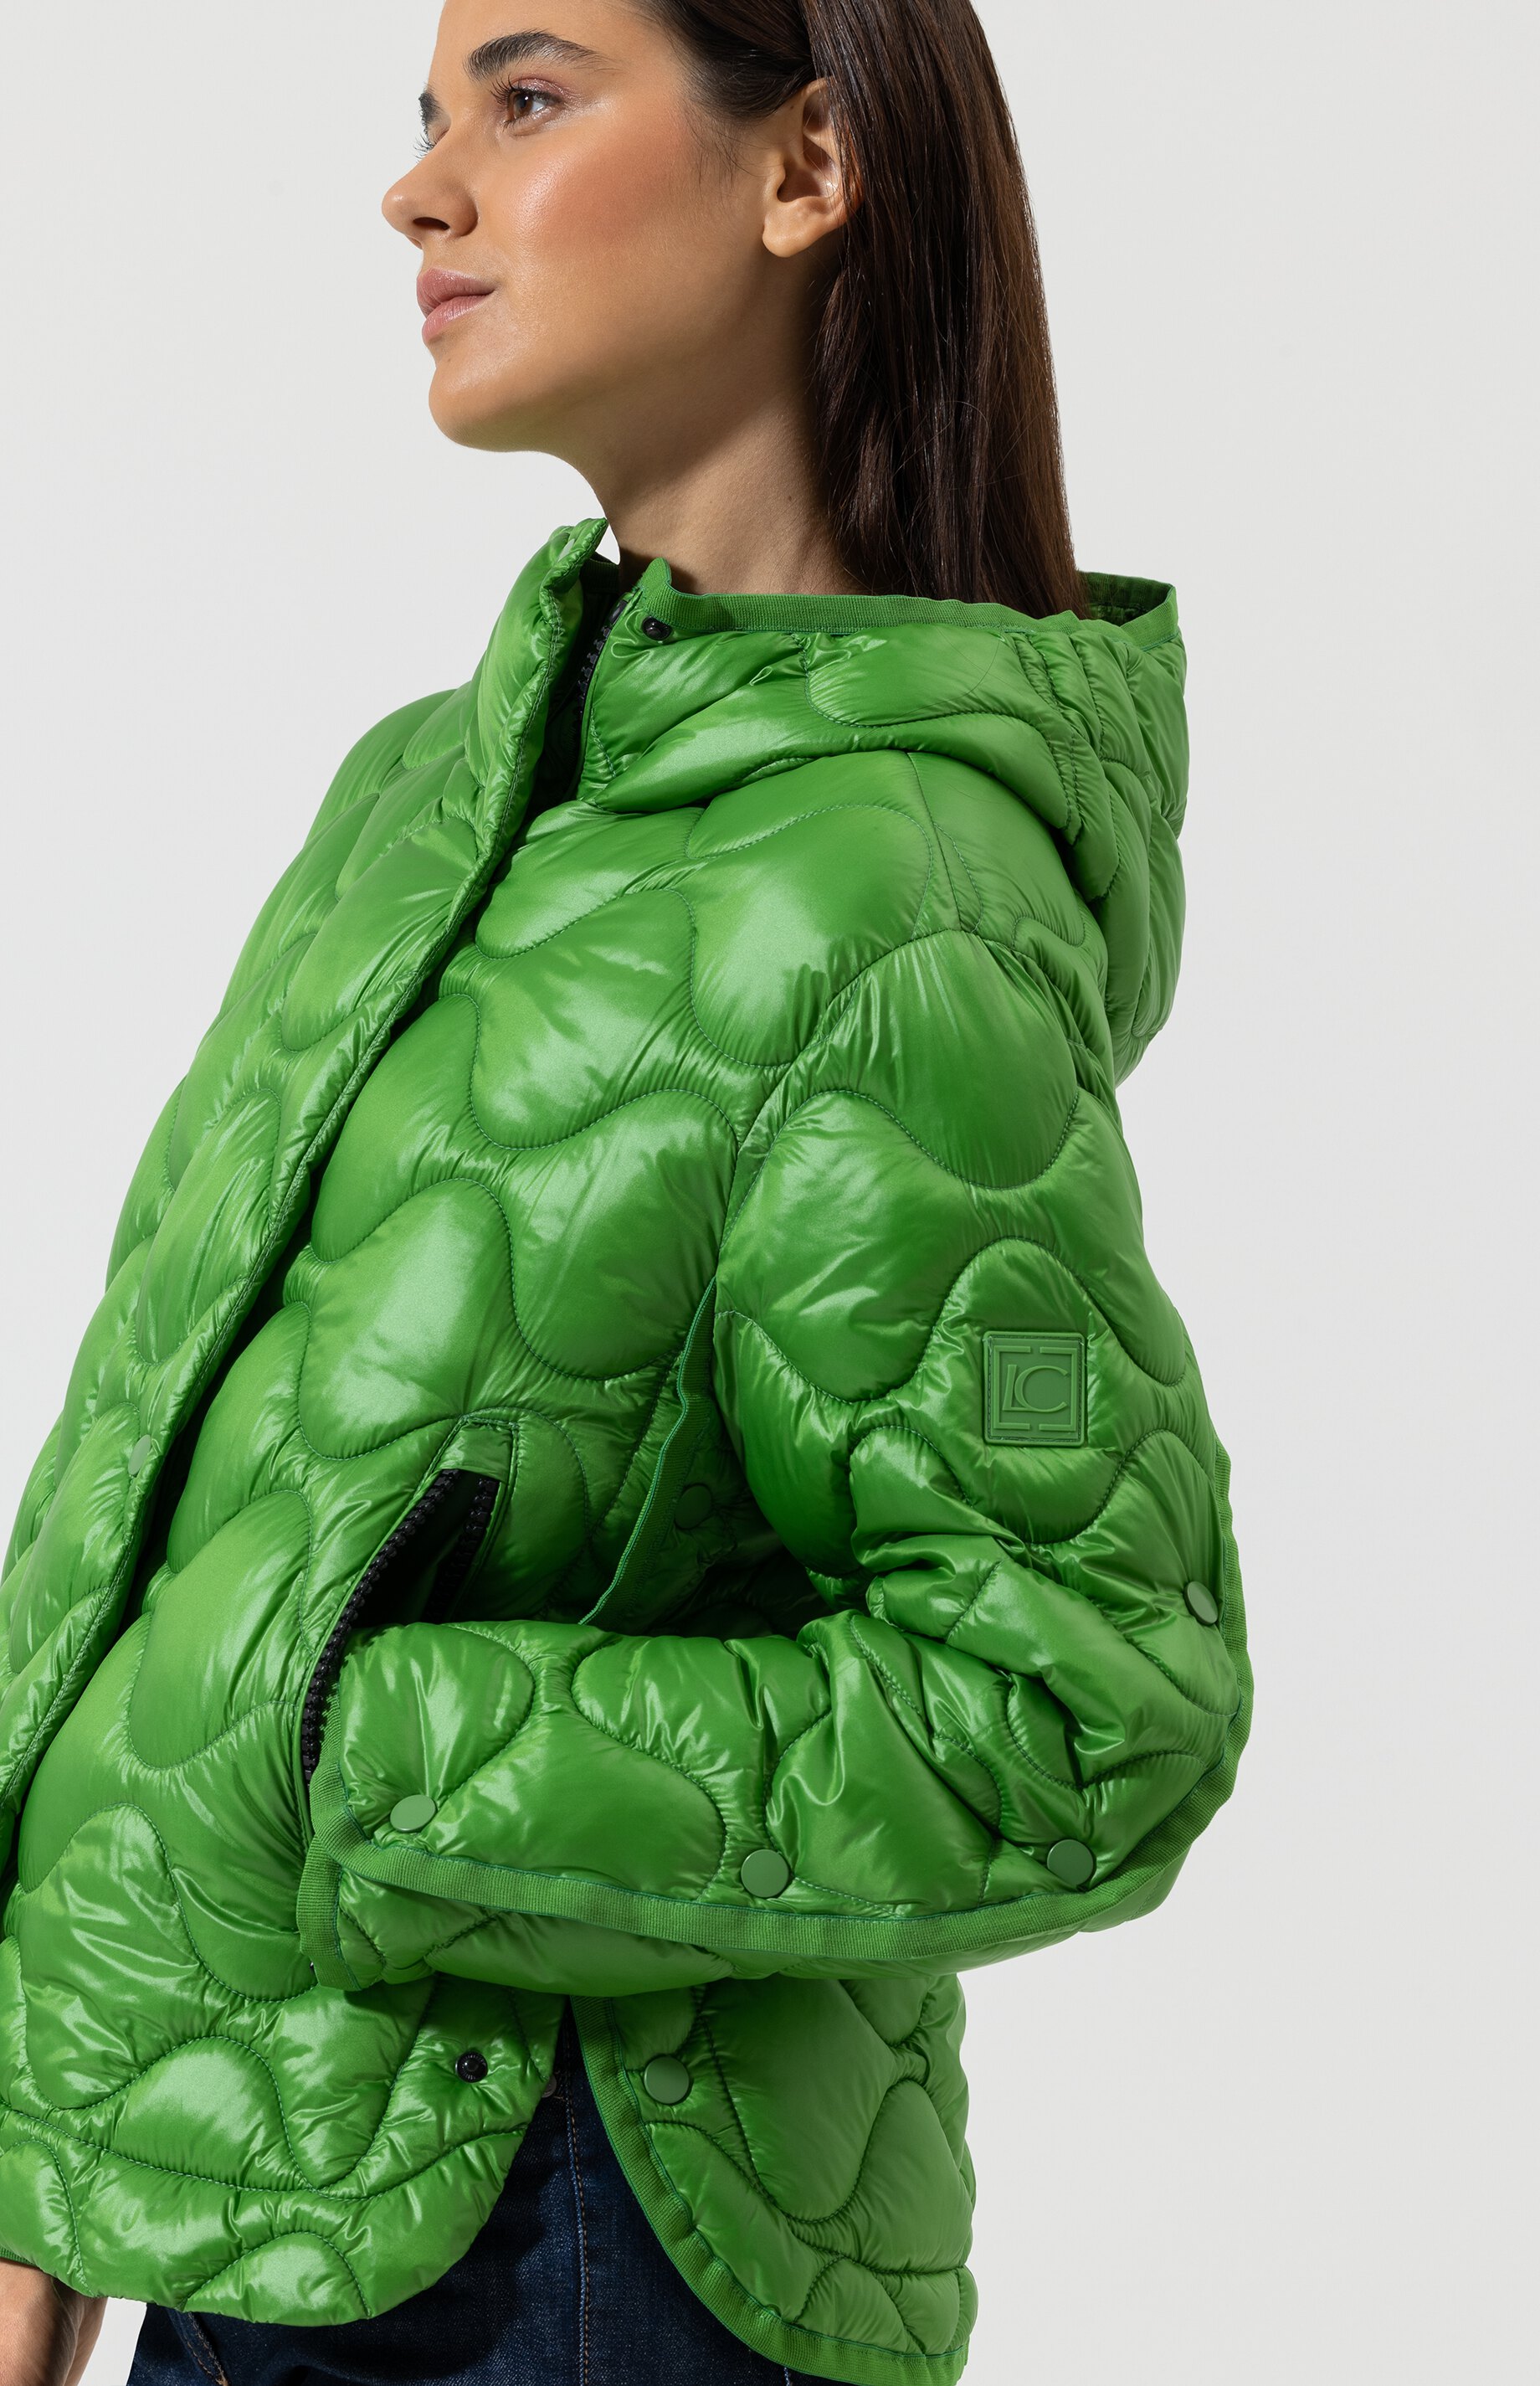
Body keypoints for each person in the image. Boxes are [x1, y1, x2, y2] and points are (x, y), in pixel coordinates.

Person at [0, 3, 1250, 2381]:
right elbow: (135, 1482)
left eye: (531, 95)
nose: (423, 186)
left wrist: (393, 1756)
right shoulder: (423, 801)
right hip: (272, 2199)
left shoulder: (893, 887)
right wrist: (39, 2108)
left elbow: (1092, 1694)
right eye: (428, 116)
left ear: (806, 168)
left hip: (575, 2241)